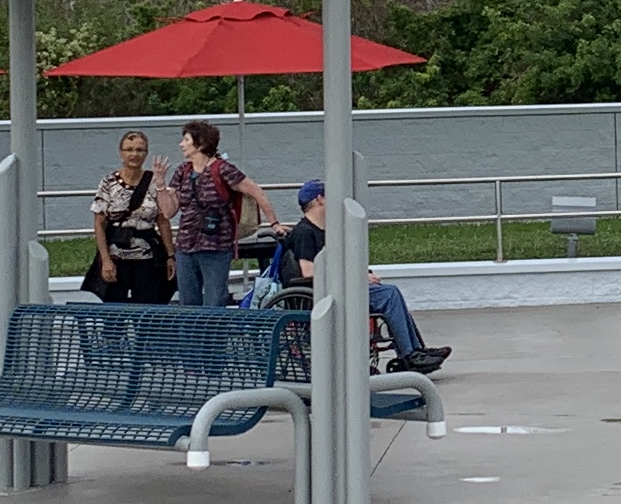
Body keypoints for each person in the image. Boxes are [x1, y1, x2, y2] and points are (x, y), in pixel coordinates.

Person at [272, 179, 447, 371]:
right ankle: (409, 354)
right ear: (320, 199)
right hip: (323, 295)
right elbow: (309, 271)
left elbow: (336, 264)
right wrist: (357, 278)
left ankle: (416, 350)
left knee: (389, 293)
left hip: (337, 289)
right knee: (389, 295)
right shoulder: (304, 233)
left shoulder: (324, 231)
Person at [162, 120, 272, 311]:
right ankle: (192, 332)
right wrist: (159, 183)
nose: (181, 144)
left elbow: (257, 192)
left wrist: (274, 222)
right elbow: (168, 211)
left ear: (201, 144)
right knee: (187, 303)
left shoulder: (223, 169)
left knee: (214, 301)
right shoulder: (183, 171)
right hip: (186, 245)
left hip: (216, 245)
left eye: (186, 140)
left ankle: (213, 331)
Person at [80, 127, 173, 303]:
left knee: (148, 308)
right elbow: (99, 223)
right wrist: (105, 260)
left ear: (146, 153)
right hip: (116, 256)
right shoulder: (108, 182)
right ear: (121, 153)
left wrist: (170, 255)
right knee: (115, 310)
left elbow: (163, 221)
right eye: (129, 149)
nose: (134, 154)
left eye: (139, 150)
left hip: (147, 257)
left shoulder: (154, 183)